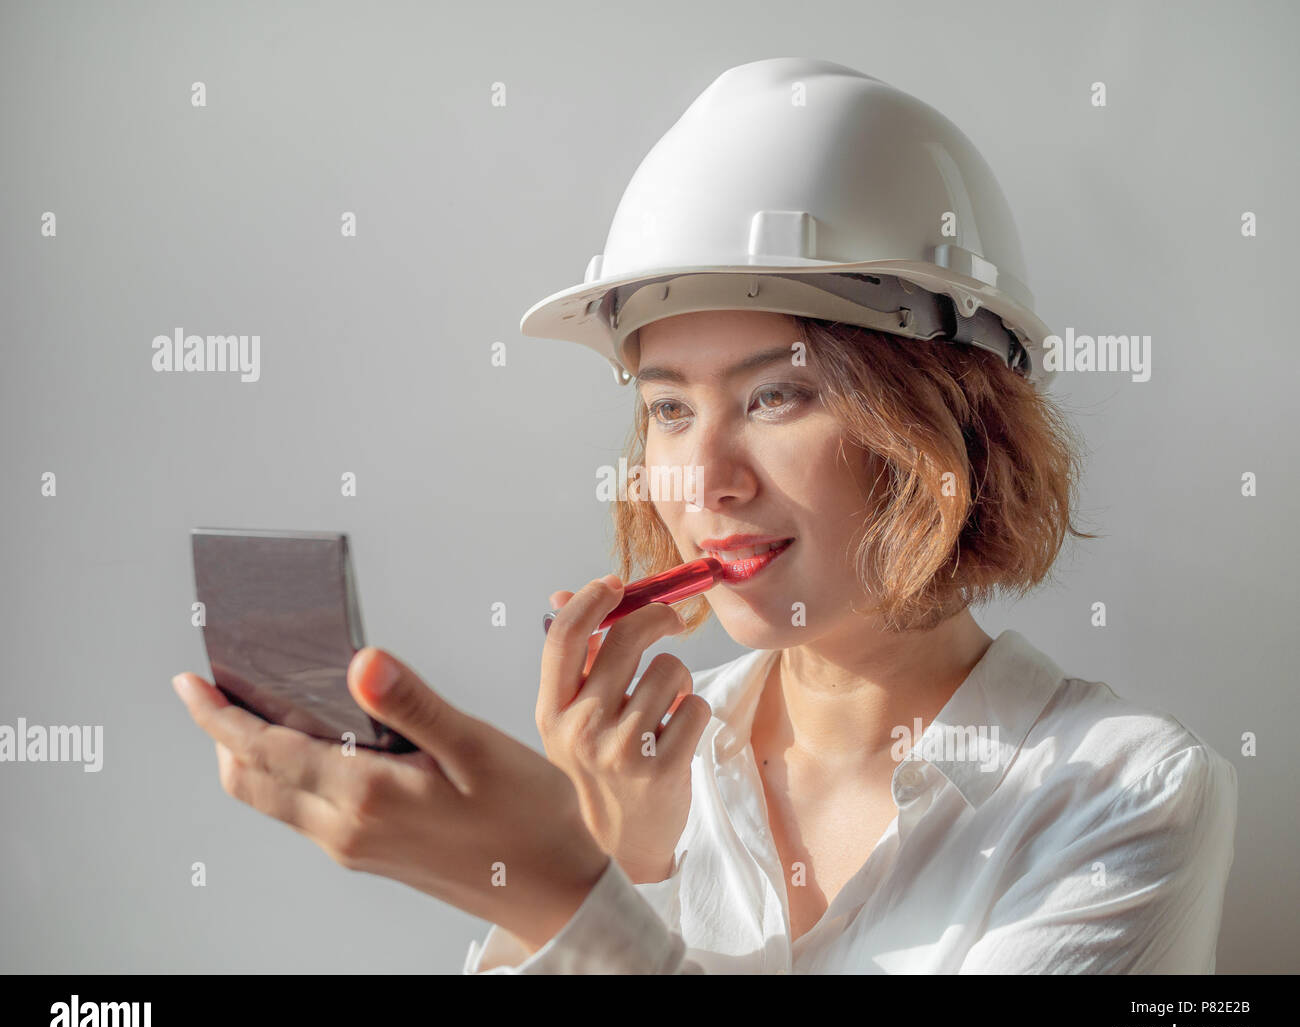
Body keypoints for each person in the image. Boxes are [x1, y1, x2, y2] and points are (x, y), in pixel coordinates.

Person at [172, 57, 1238, 974]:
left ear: (945, 422)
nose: (703, 482)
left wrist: (564, 896)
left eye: (777, 395)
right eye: (670, 409)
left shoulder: (1125, 793)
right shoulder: (647, 768)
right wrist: (620, 853)